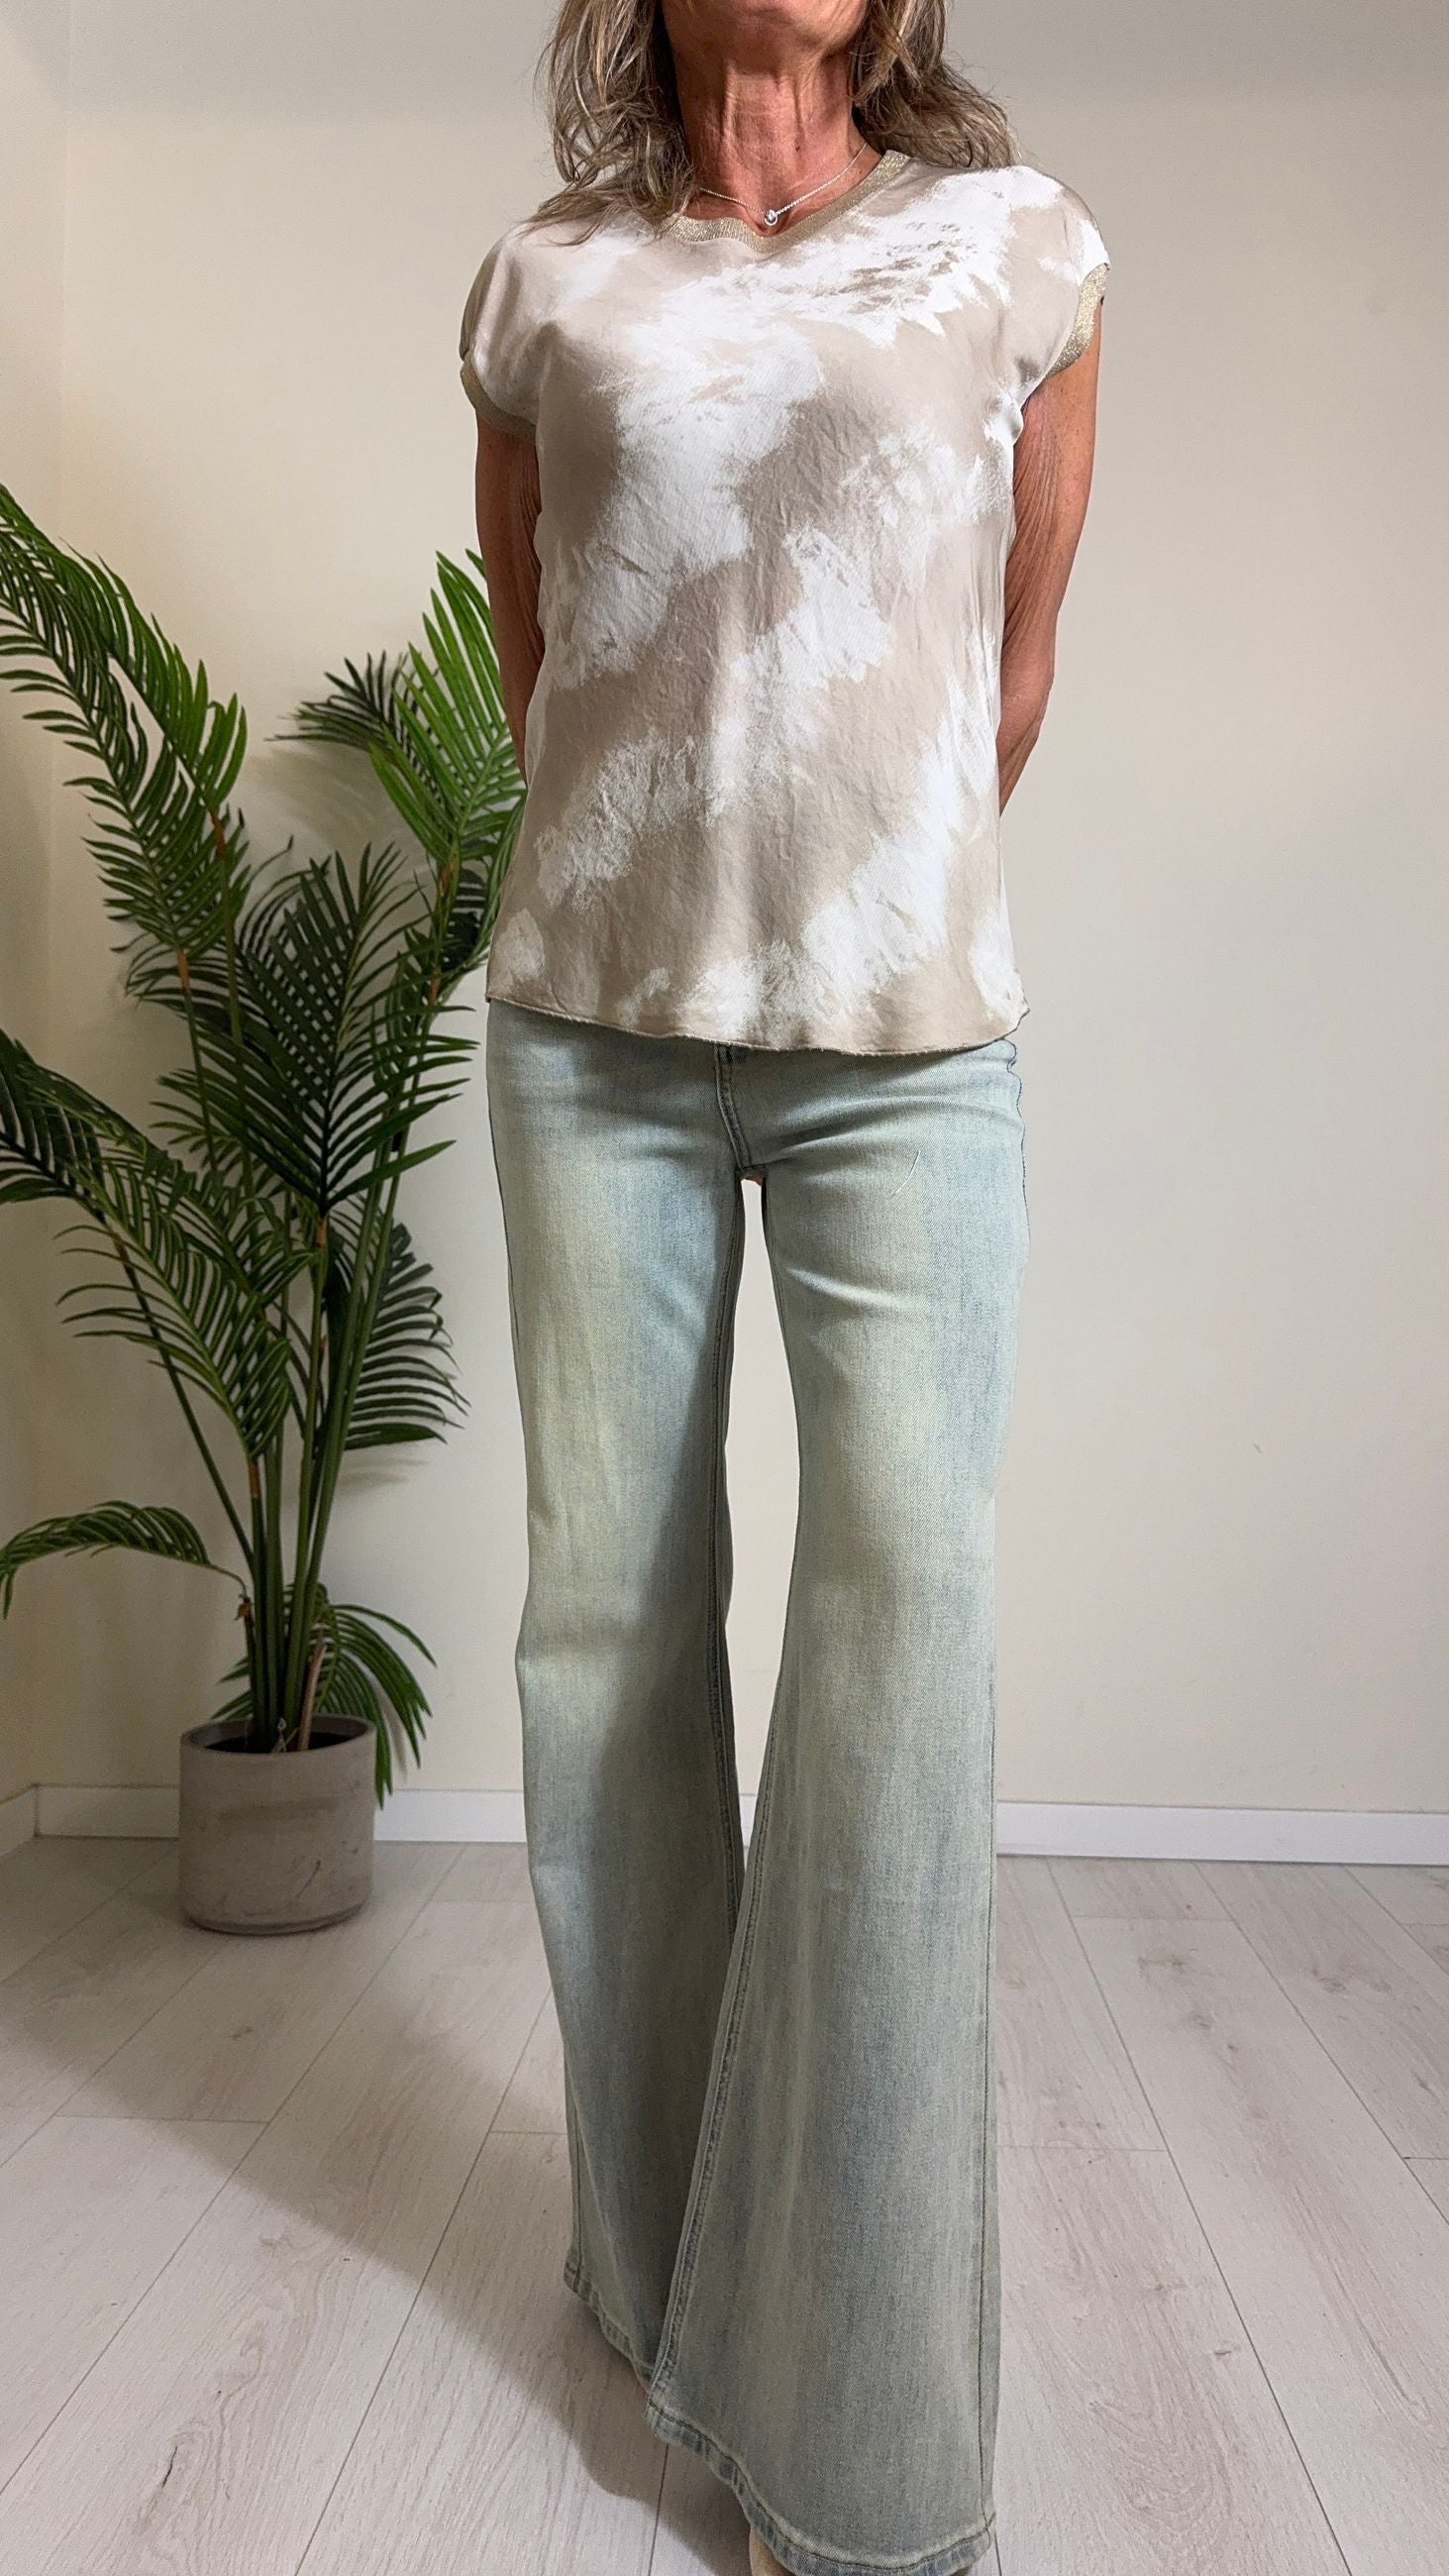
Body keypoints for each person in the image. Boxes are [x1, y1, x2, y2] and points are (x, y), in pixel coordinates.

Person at [461, 5, 1107, 2570]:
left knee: (901, 1642)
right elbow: (530, 639)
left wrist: (864, 863)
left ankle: (855, 2432)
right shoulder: (549, 279)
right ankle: (664, 2297)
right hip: (591, 1043)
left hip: (903, 1053)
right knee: (608, 1640)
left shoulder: (1017, 248)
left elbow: (1015, 665)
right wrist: (656, 865)